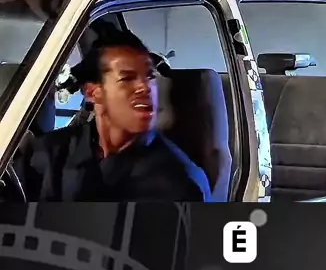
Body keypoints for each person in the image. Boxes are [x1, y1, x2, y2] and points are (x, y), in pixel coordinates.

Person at [14, 29, 212, 201]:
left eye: (149, 76)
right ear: (93, 92)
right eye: (127, 78)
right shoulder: (47, 153)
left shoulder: (180, 182)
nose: (145, 87)